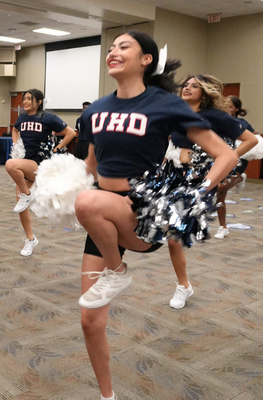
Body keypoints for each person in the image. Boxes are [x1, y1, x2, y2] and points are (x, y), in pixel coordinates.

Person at [74, 31, 238, 400]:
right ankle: (108, 396)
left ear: (146, 59)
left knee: (87, 203)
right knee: (89, 320)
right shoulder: (96, 110)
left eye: (123, 46)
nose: (113, 51)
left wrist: (200, 191)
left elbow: (224, 155)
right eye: (111, 47)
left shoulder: (163, 104)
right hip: (104, 218)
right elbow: (91, 165)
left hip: (142, 214)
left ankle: (117, 271)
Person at [166, 76, 257, 308]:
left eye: (194, 85)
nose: (187, 87)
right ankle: (184, 286)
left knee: (175, 236)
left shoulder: (216, 117)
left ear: (204, 93)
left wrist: (226, 161)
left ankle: (182, 286)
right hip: (173, 176)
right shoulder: (176, 114)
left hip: (201, 182)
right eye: (186, 84)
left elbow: (250, 140)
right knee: (166, 235)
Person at [5, 89, 76, 256]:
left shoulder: (47, 117)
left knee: (10, 165)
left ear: (39, 102)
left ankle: (26, 194)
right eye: (25, 99)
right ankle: (30, 240)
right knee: (21, 209)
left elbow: (70, 133)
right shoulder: (21, 117)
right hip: (25, 163)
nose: (26, 102)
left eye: (30, 99)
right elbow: (15, 130)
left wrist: (57, 148)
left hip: (39, 164)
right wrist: (16, 144)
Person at [228, 95, 260, 193]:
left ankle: (240, 178)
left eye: (230, 106)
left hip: (240, 156)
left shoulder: (241, 122)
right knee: (220, 188)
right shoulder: (218, 120)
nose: (226, 108)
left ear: (236, 109)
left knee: (224, 187)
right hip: (224, 153)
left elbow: (255, 134)